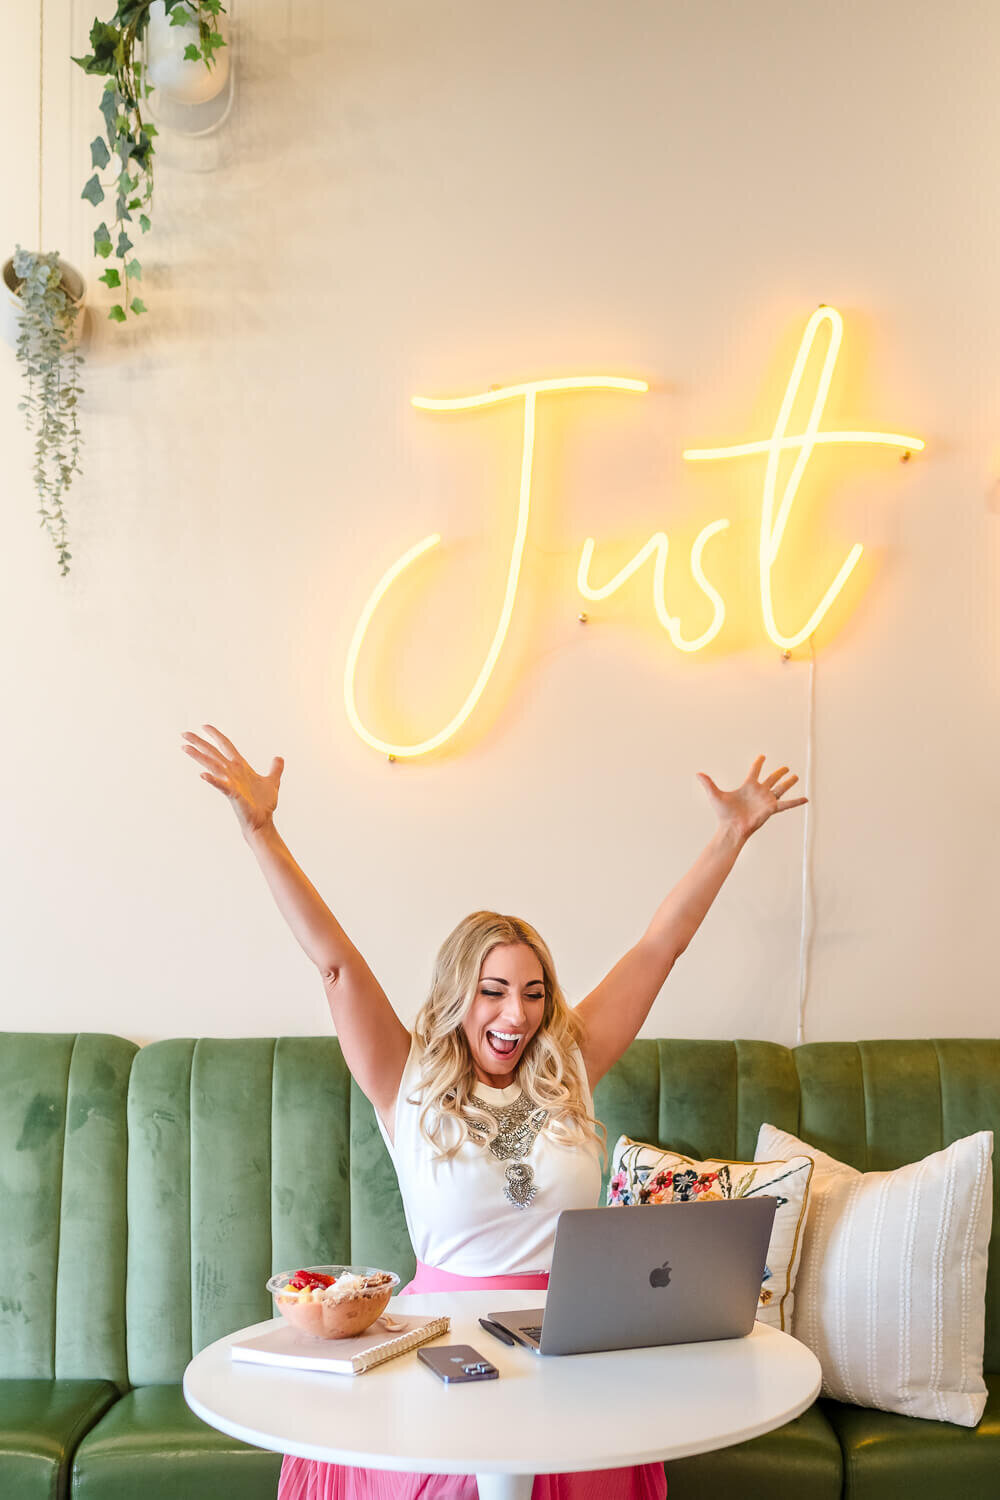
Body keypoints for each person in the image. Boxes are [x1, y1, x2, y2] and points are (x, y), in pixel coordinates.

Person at [181, 725, 807, 1500]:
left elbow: (657, 950)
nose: (518, 1012)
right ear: (458, 995)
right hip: (443, 1350)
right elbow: (334, 960)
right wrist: (263, 831)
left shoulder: (568, 1065)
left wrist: (730, 836)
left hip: (574, 1350)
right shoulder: (404, 1077)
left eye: (535, 992)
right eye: (494, 990)